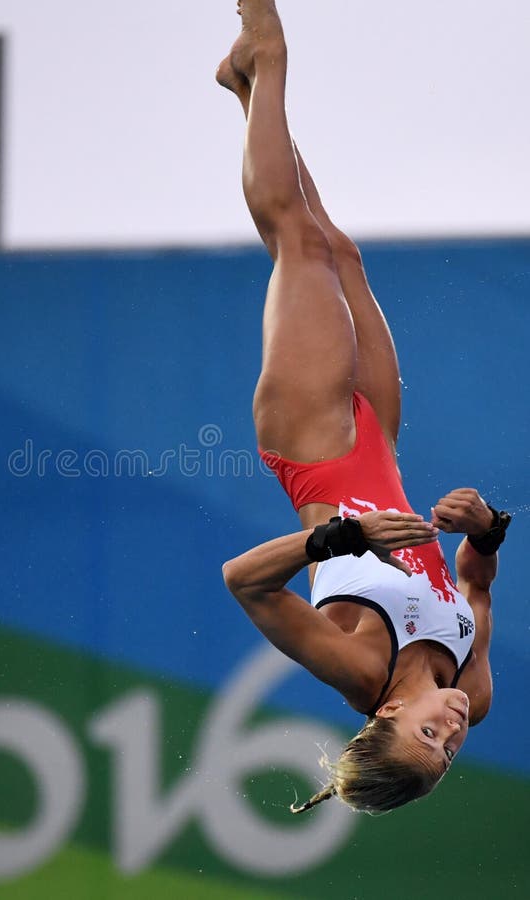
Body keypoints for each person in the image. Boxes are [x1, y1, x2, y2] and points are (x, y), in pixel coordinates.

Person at [218, 0, 510, 814]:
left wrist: (339, 534)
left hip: (312, 446)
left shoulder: (357, 670)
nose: (452, 731)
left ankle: (264, 52)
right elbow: (476, 592)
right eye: (448, 754)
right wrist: (486, 529)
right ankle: (246, 92)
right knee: (335, 247)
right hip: (379, 444)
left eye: (428, 737)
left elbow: (244, 583)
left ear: (387, 713)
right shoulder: (470, 689)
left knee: (298, 243)